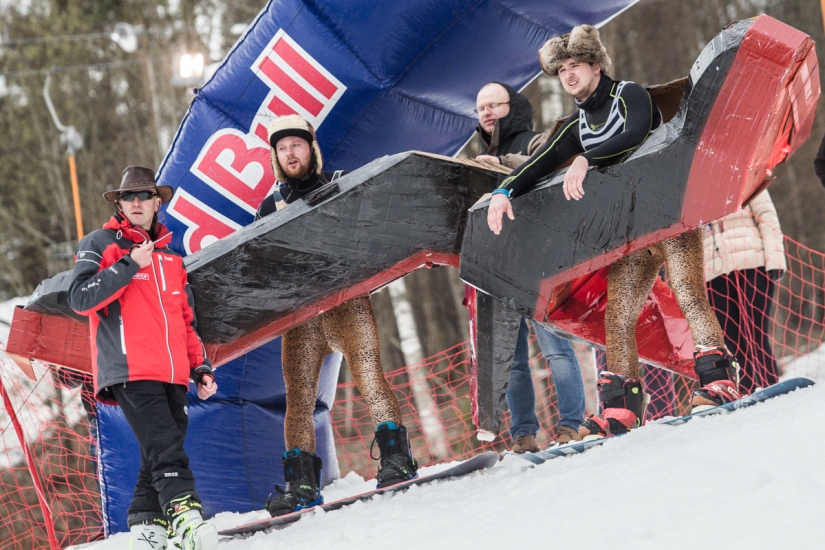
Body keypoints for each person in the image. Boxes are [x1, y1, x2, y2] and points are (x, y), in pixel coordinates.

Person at [486, 25, 739, 439]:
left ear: (596, 66)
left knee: (688, 291)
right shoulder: (575, 124)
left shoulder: (629, 94)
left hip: (669, 215)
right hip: (632, 233)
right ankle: (623, 406)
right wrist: (503, 191)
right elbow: (541, 162)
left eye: (576, 66)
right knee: (618, 316)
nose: (569, 75)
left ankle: (718, 376)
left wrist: (586, 160)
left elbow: (634, 133)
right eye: (562, 69)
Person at [257, 114, 418, 517]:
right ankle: (302, 483)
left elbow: (374, 230)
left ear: (310, 148)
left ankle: (397, 458)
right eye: (282, 148)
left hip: (346, 301)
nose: (289, 153)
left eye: (295, 144)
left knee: (368, 376)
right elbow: (262, 262)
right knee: (298, 399)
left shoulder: (341, 182)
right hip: (301, 316)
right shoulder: (270, 205)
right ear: (276, 156)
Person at [67, 166, 218, 550]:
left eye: (144, 196)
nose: (136, 203)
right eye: (128, 197)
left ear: (156, 203)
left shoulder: (172, 259)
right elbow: (80, 298)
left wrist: (199, 367)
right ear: (119, 204)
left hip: (173, 374)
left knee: (158, 451)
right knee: (167, 449)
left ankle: (147, 525)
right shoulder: (101, 243)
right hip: (129, 369)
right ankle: (186, 517)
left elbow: (187, 321)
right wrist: (129, 263)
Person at [474, 82, 586, 450]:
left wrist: (504, 165)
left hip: (541, 262)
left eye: (494, 105)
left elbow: (554, 172)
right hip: (498, 267)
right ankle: (523, 434)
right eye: (480, 108)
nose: (486, 113)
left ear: (514, 106)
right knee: (514, 360)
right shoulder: (474, 157)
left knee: (556, 349)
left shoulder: (537, 142)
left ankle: (572, 424)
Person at [703, 189, 786, 395]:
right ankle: (747, 390)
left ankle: (771, 385)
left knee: (757, 331)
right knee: (732, 338)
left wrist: (775, 259)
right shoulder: (692, 187)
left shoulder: (748, 173)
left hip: (752, 263)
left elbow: (767, 214)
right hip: (714, 273)